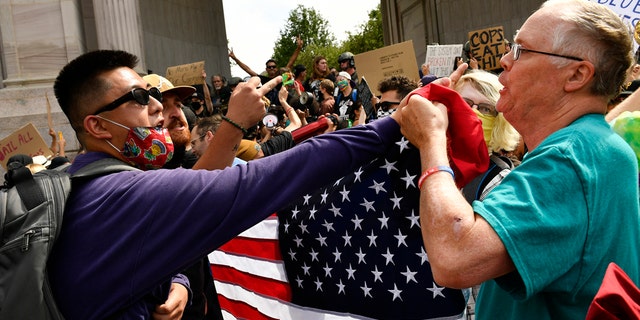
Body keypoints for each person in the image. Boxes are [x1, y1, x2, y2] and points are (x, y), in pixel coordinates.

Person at [48, 49, 409, 320]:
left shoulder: (81, 186)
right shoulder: (125, 196)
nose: (159, 108)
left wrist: (177, 279)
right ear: (96, 126)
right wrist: (394, 123)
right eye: (141, 98)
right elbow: (268, 177)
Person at [395, 0, 640, 318]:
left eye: (522, 50)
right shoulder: (591, 145)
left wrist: (432, 140)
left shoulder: (571, 158)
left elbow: (453, 257)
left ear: (577, 74)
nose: (504, 59)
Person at [453, 70, 522, 165]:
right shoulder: (427, 156)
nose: (473, 112)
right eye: (465, 103)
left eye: (485, 109)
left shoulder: (507, 176)